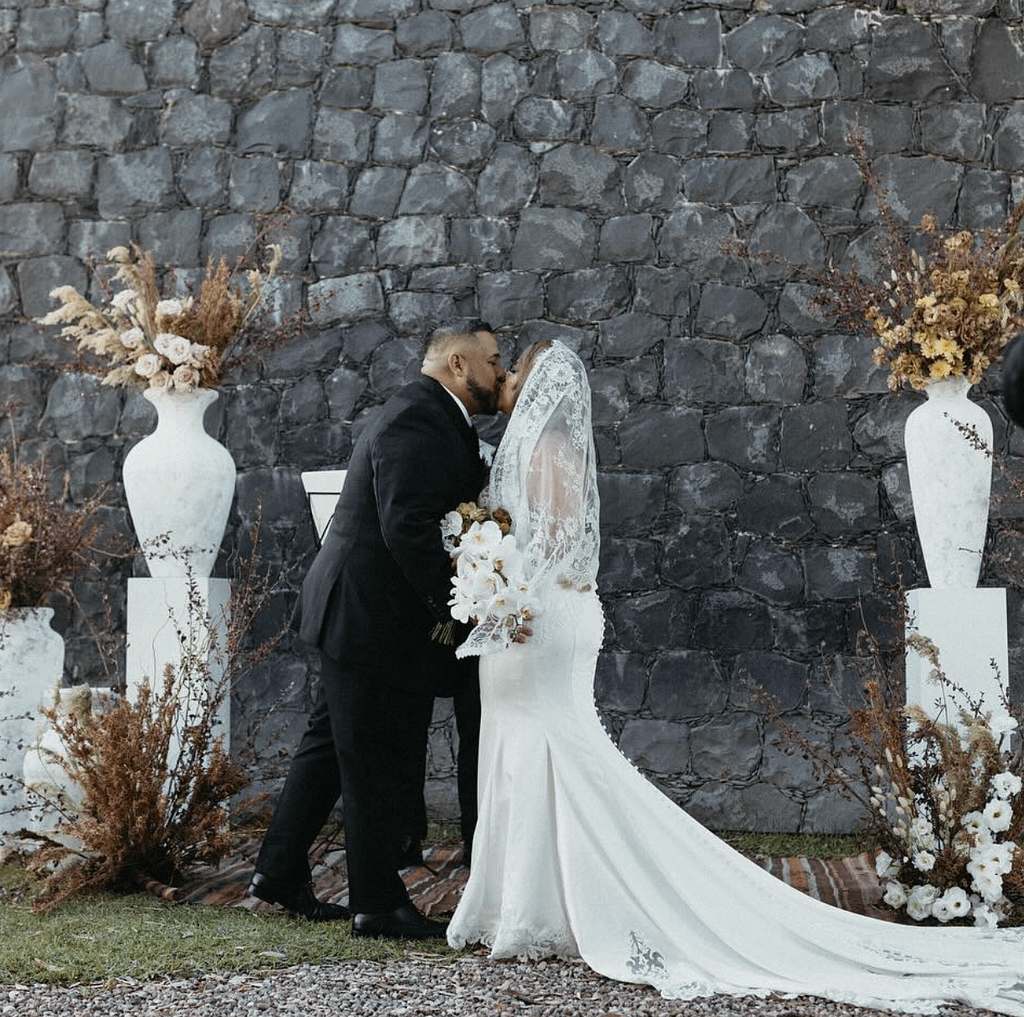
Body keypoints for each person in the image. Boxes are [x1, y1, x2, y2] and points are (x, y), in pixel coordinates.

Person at [446, 339, 1024, 1014]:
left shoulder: (545, 451)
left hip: (535, 616)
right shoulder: (543, 449)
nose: (510, 379)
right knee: (536, 748)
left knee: (555, 749)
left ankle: (543, 904)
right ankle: (528, 899)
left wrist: (498, 581)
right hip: (536, 614)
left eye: (519, 369)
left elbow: (553, 540)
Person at [248, 319, 504, 938]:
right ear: (459, 365)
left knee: (331, 750)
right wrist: (457, 607)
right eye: (493, 360)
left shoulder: (433, 415)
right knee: (371, 756)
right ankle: (376, 904)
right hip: (366, 617)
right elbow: (408, 525)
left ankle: (278, 872)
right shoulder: (420, 415)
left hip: (357, 611)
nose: (500, 372)